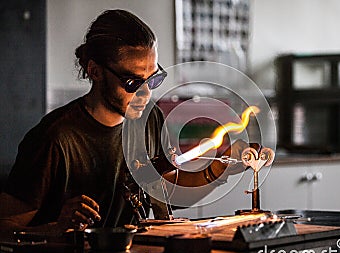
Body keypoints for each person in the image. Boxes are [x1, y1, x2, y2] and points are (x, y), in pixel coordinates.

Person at [0, 9, 247, 238]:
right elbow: (5, 227)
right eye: (132, 82)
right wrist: (57, 228)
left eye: (153, 80)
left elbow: (170, 191)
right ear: (95, 71)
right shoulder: (55, 139)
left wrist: (220, 169)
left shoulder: (149, 120)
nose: (146, 94)